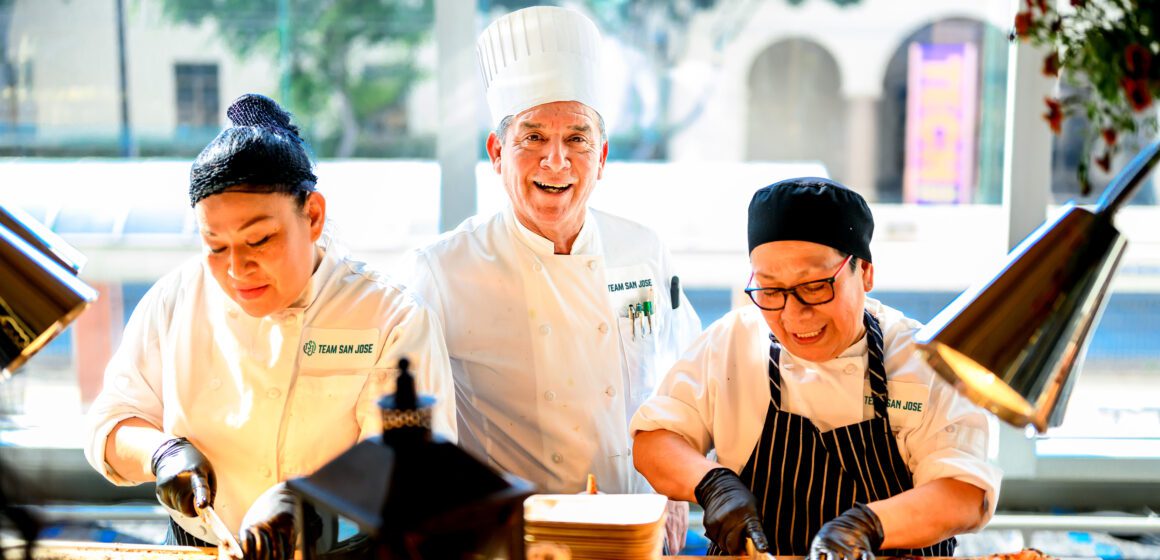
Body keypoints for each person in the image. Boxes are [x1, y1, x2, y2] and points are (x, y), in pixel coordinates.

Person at [84, 94, 455, 558]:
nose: (238, 268)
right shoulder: (176, 299)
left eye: (260, 239)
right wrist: (160, 454)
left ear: (313, 215)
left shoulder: (391, 316)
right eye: (216, 246)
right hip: (202, 550)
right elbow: (110, 423)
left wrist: (312, 509)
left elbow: (417, 469)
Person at [404, 5, 701, 552]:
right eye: (533, 137)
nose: (556, 161)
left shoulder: (643, 247)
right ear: (497, 153)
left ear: (603, 155)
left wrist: (677, 491)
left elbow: (684, 378)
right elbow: (418, 432)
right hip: (513, 540)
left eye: (578, 139)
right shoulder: (443, 269)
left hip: (636, 527)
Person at [630, 177, 1002, 559]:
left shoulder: (924, 361)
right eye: (771, 291)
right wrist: (712, 484)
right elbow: (654, 440)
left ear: (866, 273)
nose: (794, 314)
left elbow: (964, 493)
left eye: (815, 286)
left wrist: (864, 527)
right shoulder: (733, 343)